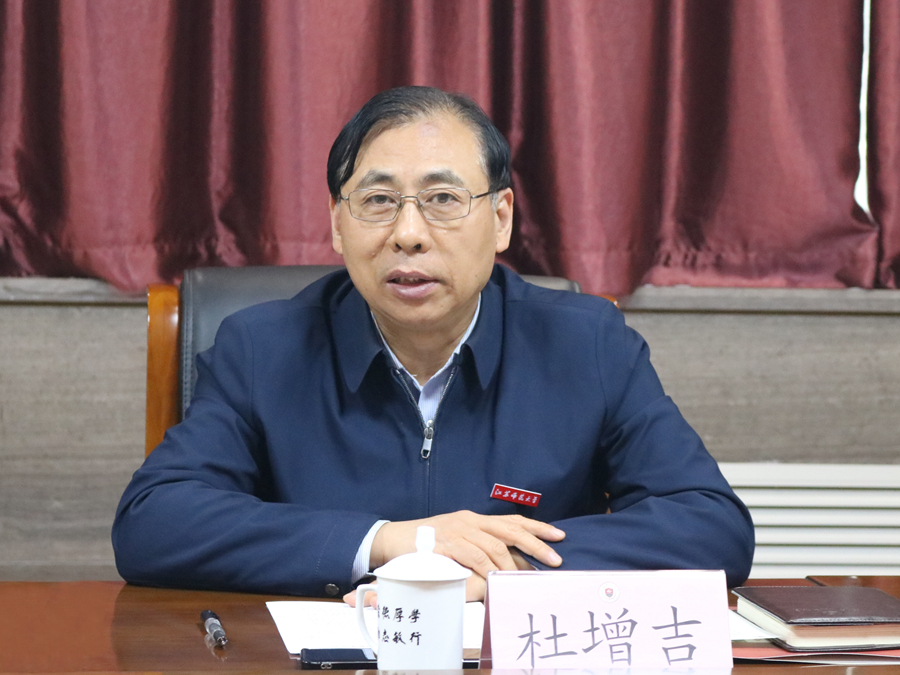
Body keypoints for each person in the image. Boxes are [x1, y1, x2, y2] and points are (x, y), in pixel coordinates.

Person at [112, 86, 754, 602]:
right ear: (337, 224)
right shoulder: (263, 348)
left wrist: (508, 569)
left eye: (443, 199)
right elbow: (153, 522)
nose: (409, 233)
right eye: (378, 200)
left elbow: (712, 527)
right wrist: (392, 542)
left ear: (500, 218)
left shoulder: (586, 344)